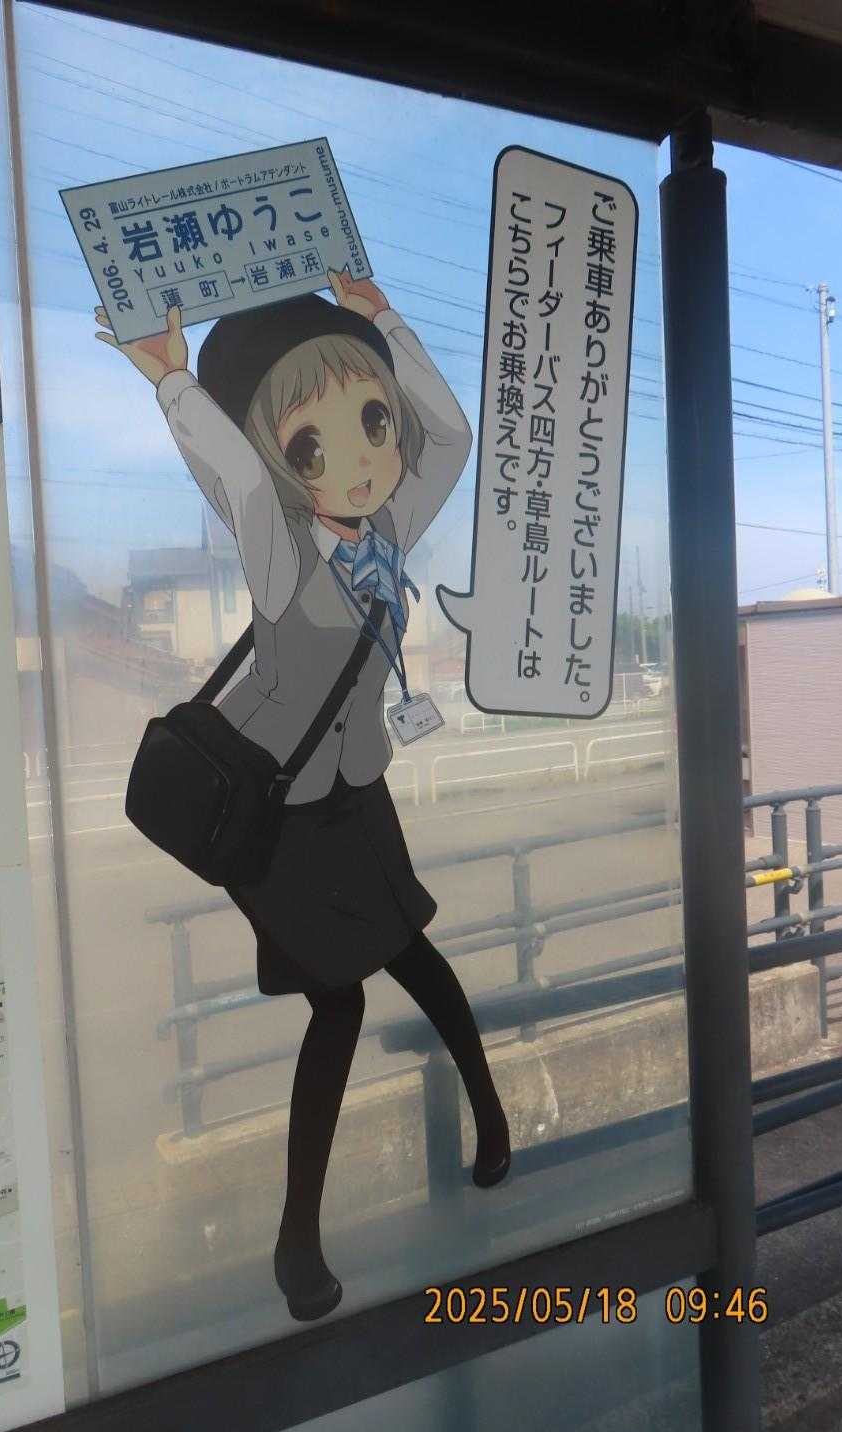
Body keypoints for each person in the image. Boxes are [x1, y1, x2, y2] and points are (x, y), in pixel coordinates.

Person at [94, 268, 511, 1324]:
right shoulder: (283, 552)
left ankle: (491, 1113)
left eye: (375, 421)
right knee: (343, 997)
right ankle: (297, 1239)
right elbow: (241, 480)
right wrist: (175, 384)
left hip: (356, 786)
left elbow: (452, 437)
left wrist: (382, 316)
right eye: (313, 448)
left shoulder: (389, 531)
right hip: (275, 811)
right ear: (286, 466)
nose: (363, 459)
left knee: (413, 951)